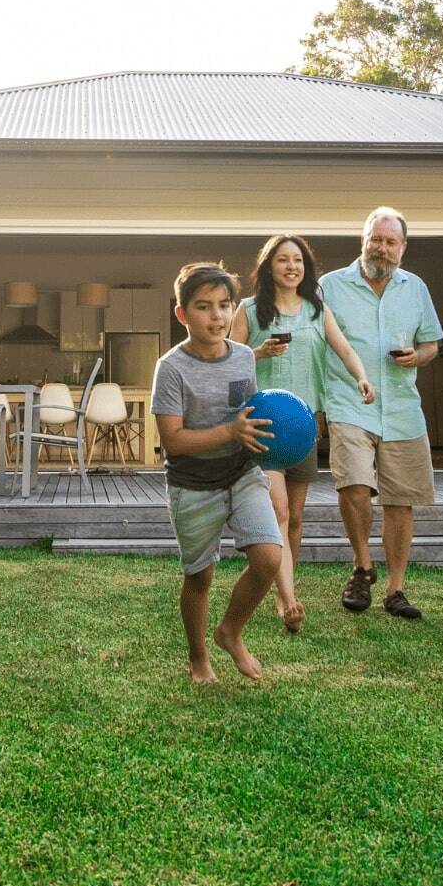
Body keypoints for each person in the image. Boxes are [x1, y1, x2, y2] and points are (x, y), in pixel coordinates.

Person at [229, 233, 375, 633]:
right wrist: (258, 354)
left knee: (295, 517)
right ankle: (289, 599)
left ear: (305, 268)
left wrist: (361, 377)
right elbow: (225, 358)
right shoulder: (249, 310)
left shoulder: (315, 308)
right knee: (277, 511)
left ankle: (279, 588)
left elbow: (343, 348)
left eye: (297, 260)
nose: (291, 266)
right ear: (268, 267)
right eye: (282, 260)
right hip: (263, 425)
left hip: (304, 425)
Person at [150, 261, 286, 683]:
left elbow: (250, 415)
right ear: (182, 314)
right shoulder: (170, 369)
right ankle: (198, 656)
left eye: (225, 305)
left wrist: (271, 444)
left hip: (241, 473)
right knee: (200, 576)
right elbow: (173, 439)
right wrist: (230, 430)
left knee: (268, 558)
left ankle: (231, 631)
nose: (217, 316)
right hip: (192, 484)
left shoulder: (244, 357)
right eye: (204, 307)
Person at [318, 206, 443, 620]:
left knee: (400, 500)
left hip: (403, 407)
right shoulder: (330, 286)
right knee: (353, 484)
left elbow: (432, 345)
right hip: (348, 401)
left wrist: (418, 356)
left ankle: (395, 589)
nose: (383, 248)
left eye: (391, 242)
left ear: (403, 247)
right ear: (363, 240)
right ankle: (362, 565)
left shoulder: (415, 288)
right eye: (376, 239)